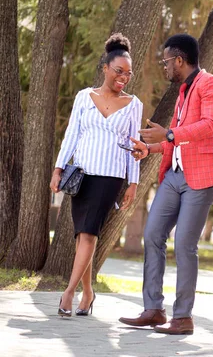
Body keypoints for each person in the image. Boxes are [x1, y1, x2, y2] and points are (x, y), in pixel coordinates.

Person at [119, 34, 213, 335]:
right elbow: (179, 137)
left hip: (203, 176)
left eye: (166, 61)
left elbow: (209, 126)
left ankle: (182, 317)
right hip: (174, 175)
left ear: (180, 60)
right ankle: (153, 309)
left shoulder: (212, 85)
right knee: (153, 234)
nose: (164, 66)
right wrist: (151, 149)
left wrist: (168, 134)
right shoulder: (184, 91)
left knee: (185, 243)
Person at [51, 33, 143, 317]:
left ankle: (68, 293)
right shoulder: (83, 97)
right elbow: (71, 136)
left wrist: (133, 183)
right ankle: (89, 293)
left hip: (110, 178)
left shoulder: (134, 104)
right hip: (81, 175)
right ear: (105, 68)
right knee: (82, 237)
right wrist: (58, 169)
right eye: (119, 71)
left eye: (128, 73)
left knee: (89, 234)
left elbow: (133, 146)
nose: (123, 78)